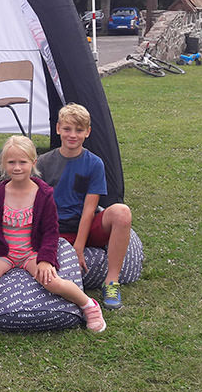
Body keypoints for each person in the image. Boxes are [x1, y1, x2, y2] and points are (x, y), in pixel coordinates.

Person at [0, 135, 107, 332]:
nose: (17, 167)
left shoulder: (44, 194)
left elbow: (50, 232)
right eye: (11, 162)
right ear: (4, 164)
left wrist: (45, 260)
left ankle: (88, 305)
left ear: (33, 163)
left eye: (23, 162)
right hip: (5, 253)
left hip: (32, 253)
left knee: (53, 283)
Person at [38, 103, 134, 310]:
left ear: (87, 132)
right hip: (56, 229)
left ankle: (111, 283)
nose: (72, 135)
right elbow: (37, 207)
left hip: (86, 228)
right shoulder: (43, 163)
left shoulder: (94, 163)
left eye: (79, 130)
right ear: (58, 129)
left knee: (122, 212)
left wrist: (79, 248)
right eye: (67, 129)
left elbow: (90, 210)